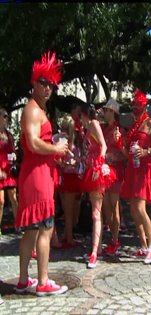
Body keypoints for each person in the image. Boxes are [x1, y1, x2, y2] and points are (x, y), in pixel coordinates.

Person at [14, 51, 69, 296]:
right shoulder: (33, 110)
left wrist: (56, 154)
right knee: (45, 229)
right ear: (34, 83)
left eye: (51, 84)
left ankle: (25, 280)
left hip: (39, 174)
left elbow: (37, 146)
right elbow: (34, 143)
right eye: (43, 82)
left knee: (32, 230)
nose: (48, 88)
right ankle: (43, 281)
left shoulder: (35, 109)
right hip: (36, 177)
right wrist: (56, 148)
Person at [120, 89, 151, 264]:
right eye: (133, 105)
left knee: (139, 208)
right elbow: (126, 153)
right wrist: (121, 139)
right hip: (132, 168)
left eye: (138, 105)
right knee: (132, 209)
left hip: (144, 169)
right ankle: (144, 245)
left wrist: (146, 151)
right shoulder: (134, 125)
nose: (135, 107)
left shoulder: (149, 123)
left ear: (144, 106)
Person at [80, 104, 116, 268]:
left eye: (81, 116)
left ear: (84, 115)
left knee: (96, 213)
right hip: (91, 170)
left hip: (96, 172)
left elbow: (103, 146)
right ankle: (98, 247)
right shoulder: (90, 127)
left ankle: (95, 252)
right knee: (97, 212)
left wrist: (98, 165)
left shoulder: (93, 124)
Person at [57, 102, 84, 248]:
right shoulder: (69, 145)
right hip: (69, 179)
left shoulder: (67, 144)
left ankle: (67, 236)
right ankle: (68, 238)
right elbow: (62, 162)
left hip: (68, 178)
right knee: (69, 212)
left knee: (70, 211)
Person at [101, 98, 125, 256]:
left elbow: (125, 154)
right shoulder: (103, 128)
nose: (104, 112)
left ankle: (115, 240)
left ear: (113, 113)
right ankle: (112, 239)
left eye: (106, 110)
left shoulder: (119, 129)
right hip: (105, 170)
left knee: (114, 205)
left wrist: (119, 143)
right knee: (107, 207)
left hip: (116, 171)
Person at [0, 107, 18, 236]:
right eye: (5, 116)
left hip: (9, 170)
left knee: (14, 198)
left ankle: (18, 224)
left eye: (7, 116)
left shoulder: (9, 134)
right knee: (0, 201)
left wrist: (15, 156)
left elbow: (13, 151)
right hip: (0, 170)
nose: (7, 119)